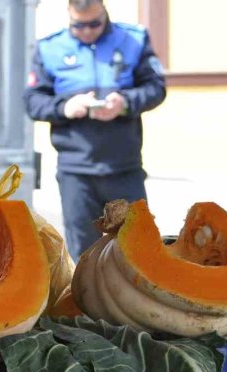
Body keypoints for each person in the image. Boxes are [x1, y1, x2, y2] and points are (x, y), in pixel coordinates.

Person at [24, 0, 166, 261]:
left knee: (136, 250)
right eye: (79, 25)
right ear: (68, 14)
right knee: (85, 256)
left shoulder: (133, 40)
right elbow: (33, 102)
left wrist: (124, 103)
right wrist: (66, 107)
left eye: (94, 24)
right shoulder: (49, 49)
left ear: (104, 11)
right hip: (76, 173)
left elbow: (156, 88)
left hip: (124, 168)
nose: (87, 31)